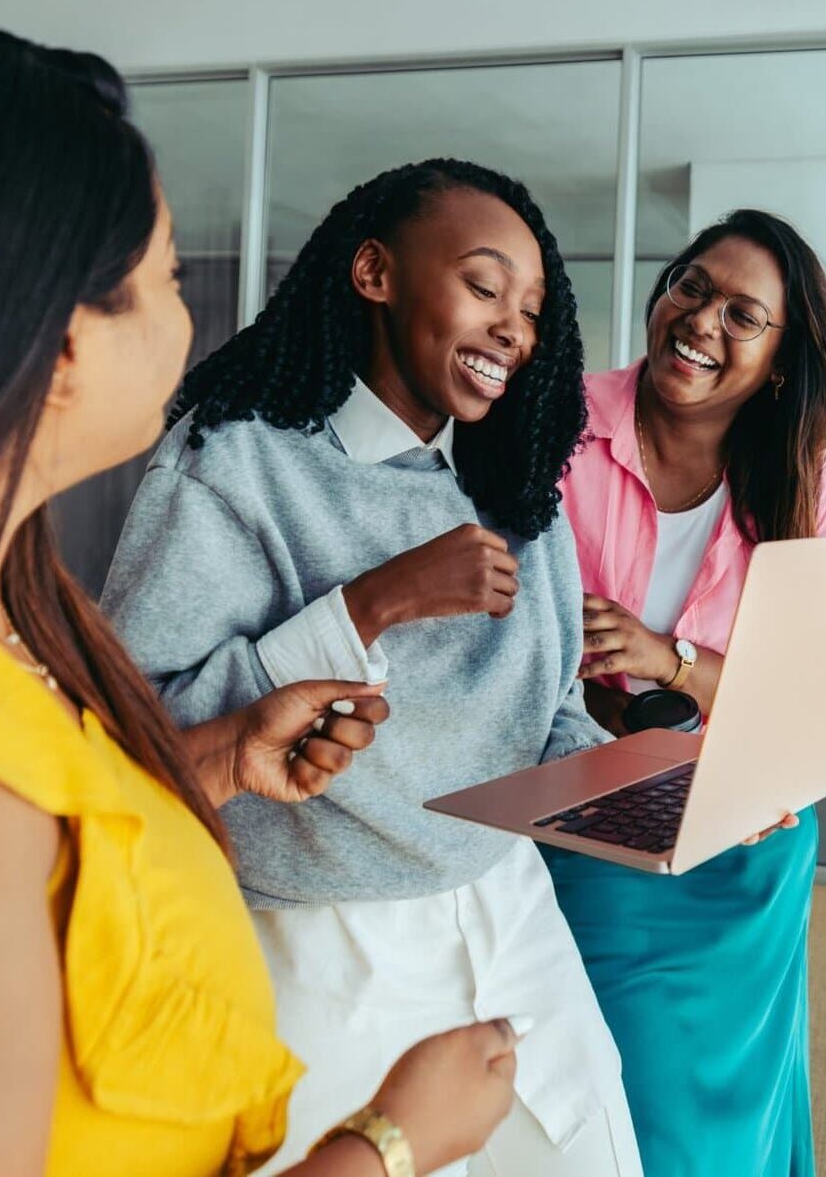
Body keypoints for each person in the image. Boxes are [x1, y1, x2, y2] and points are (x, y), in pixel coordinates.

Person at [0, 12, 519, 1177]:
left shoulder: (15, 614)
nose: (192, 319)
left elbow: (52, 844)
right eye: (168, 275)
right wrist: (386, 1143)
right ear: (57, 347)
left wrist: (222, 753)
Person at [100, 158, 641, 1175]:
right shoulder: (234, 459)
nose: (512, 331)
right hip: (320, 941)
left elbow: (550, 715)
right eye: (484, 287)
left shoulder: (519, 490)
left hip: (512, 915)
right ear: (374, 271)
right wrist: (371, 602)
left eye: (528, 310)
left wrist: (648, 793)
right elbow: (145, 725)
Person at [549, 209, 826, 1176]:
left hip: (747, 835)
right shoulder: (555, 424)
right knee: (624, 1096)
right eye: (691, 286)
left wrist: (665, 659)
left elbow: (819, 699)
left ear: (778, 357)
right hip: (593, 814)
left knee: (737, 1097)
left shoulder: (806, 484)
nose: (701, 321)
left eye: (742, 314)